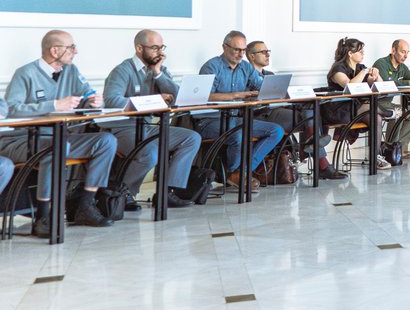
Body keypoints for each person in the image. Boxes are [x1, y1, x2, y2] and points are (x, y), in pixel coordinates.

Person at [0, 31, 118, 235]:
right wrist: (54, 105)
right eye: (71, 47)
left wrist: (94, 101)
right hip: (24, 140)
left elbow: (88, 92)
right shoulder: (25, 73)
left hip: (61, 136)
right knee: (57, 147)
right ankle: (43, 216)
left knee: (106, 141)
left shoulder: (72, 71)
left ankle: (85, 204)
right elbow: (11, 108)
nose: (75, 51)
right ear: (55, 51)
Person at [100, 29, 200, 209]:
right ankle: (125, 193)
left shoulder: (159, 70)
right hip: (123, 128)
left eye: (162, 47)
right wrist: (153, 101)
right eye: (155, 48)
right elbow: (111, 100)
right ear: (139, 48)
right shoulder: (123, 70)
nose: (160, 52)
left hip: (147, 126)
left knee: (191, 138)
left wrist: (158, 73)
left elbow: (178, 98)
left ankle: (167, 192)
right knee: (149, 153)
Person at [198, 30, 285, 191]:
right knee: (238, 134)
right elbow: (203, 96)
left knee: (276, 131)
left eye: (243, 50)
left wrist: (269, 90)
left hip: (235, 118)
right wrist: (235, 95)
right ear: (224, 47)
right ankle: (235, 173)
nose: (240, 54)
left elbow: (260, 85)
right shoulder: (211, 66)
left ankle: (240, 172)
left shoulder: (245, 67)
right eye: (237, 49)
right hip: (210, 120)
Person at [252, 39, 344, 181]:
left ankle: (312, 146)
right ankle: (321, 162)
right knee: (308, 116)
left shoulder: (269, 74)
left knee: (311, 110)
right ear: (252, 56)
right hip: (261, 115)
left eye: (268, 52)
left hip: (278, 111)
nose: (267, 55)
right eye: (263, 52)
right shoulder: (246, 75)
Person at [325, 37, 390, 170]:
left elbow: (381, 87)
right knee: (370, 108)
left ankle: (375, 157)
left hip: (354, 107)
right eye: (360, 51)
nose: (363, 54)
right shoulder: (337, 68)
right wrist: (364, 73)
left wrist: (376, 77)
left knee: (376, 117)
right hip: (338, 109)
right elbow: (349, 86)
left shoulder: (360, 68)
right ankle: (389, 113)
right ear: (350, 53)